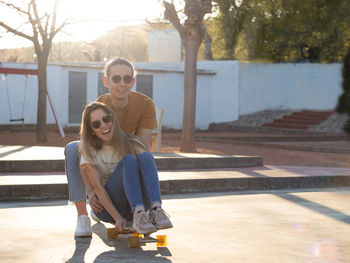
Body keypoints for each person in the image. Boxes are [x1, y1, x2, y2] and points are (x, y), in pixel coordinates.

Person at [65, 57, 158, 237]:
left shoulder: (145, 104)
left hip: (128, 161)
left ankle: (143, 210)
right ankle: (83, 216)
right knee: (72, 148)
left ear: (133, 81)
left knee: (135, 159)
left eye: (127, 79)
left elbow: (144, 148)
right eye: (116, 79)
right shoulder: (100, 106)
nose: (122, 84)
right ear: (106, 81)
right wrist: (91, 190)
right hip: (106, 168)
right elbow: (89, 149)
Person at [79, 102, 172, 234]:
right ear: (92, 131)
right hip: (107, 210)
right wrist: (117, 218)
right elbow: (98, 188)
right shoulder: (90, 150)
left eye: (106, 119)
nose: (104, 126)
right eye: (96, 124)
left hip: (134, 204)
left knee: (146, 156)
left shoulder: (132, 142)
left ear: (112, 119)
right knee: (128, 160)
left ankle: (155, 209)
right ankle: (139, 212)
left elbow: (147, 171)